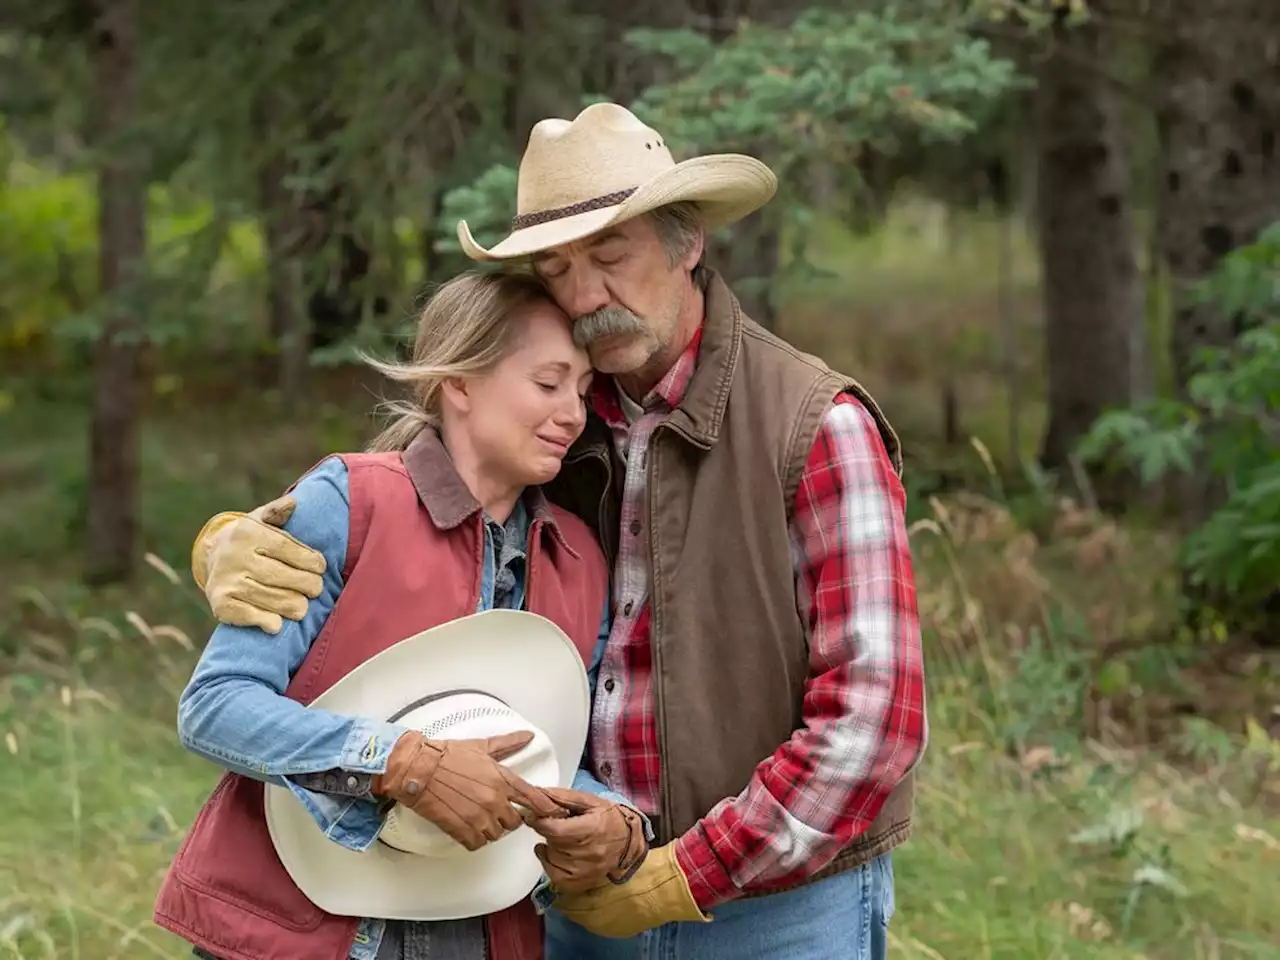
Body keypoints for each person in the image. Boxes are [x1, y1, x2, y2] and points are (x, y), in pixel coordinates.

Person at [187, 102, 928, 959]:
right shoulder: (558, 420)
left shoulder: (814, 425)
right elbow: (401, 491)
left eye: (610, 256)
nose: (582, 296)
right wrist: (226, 539)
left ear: (688, 244)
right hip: (578, 894)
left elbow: (876, 719)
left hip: (780, 907)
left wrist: (688, 869)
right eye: (556, 267)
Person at [152, 271, 648, 960]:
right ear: (462, 383)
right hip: (301, 931)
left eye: (582, 388)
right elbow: (214, 707)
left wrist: (613, 822)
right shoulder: (348, 504)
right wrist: (398, 763)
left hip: (481, 933)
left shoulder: (580, 560)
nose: (574, 412)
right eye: (548, 382)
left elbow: (560, 756)